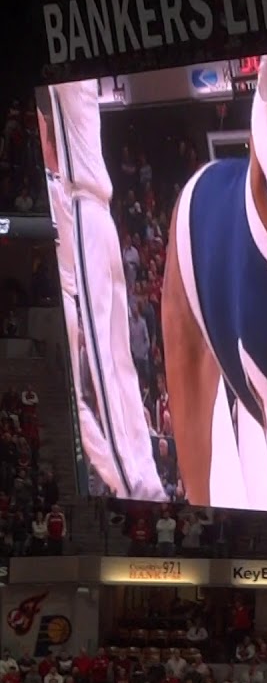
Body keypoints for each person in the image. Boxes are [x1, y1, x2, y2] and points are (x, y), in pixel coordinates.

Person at [35, 81, 165, 501]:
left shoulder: (57, 187)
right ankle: (139, 476)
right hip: (104, 218)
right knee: (119, 363)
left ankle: (133, 485)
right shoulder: (85, 94)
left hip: (86, 228)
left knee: (105, 370)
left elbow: (46, 138)